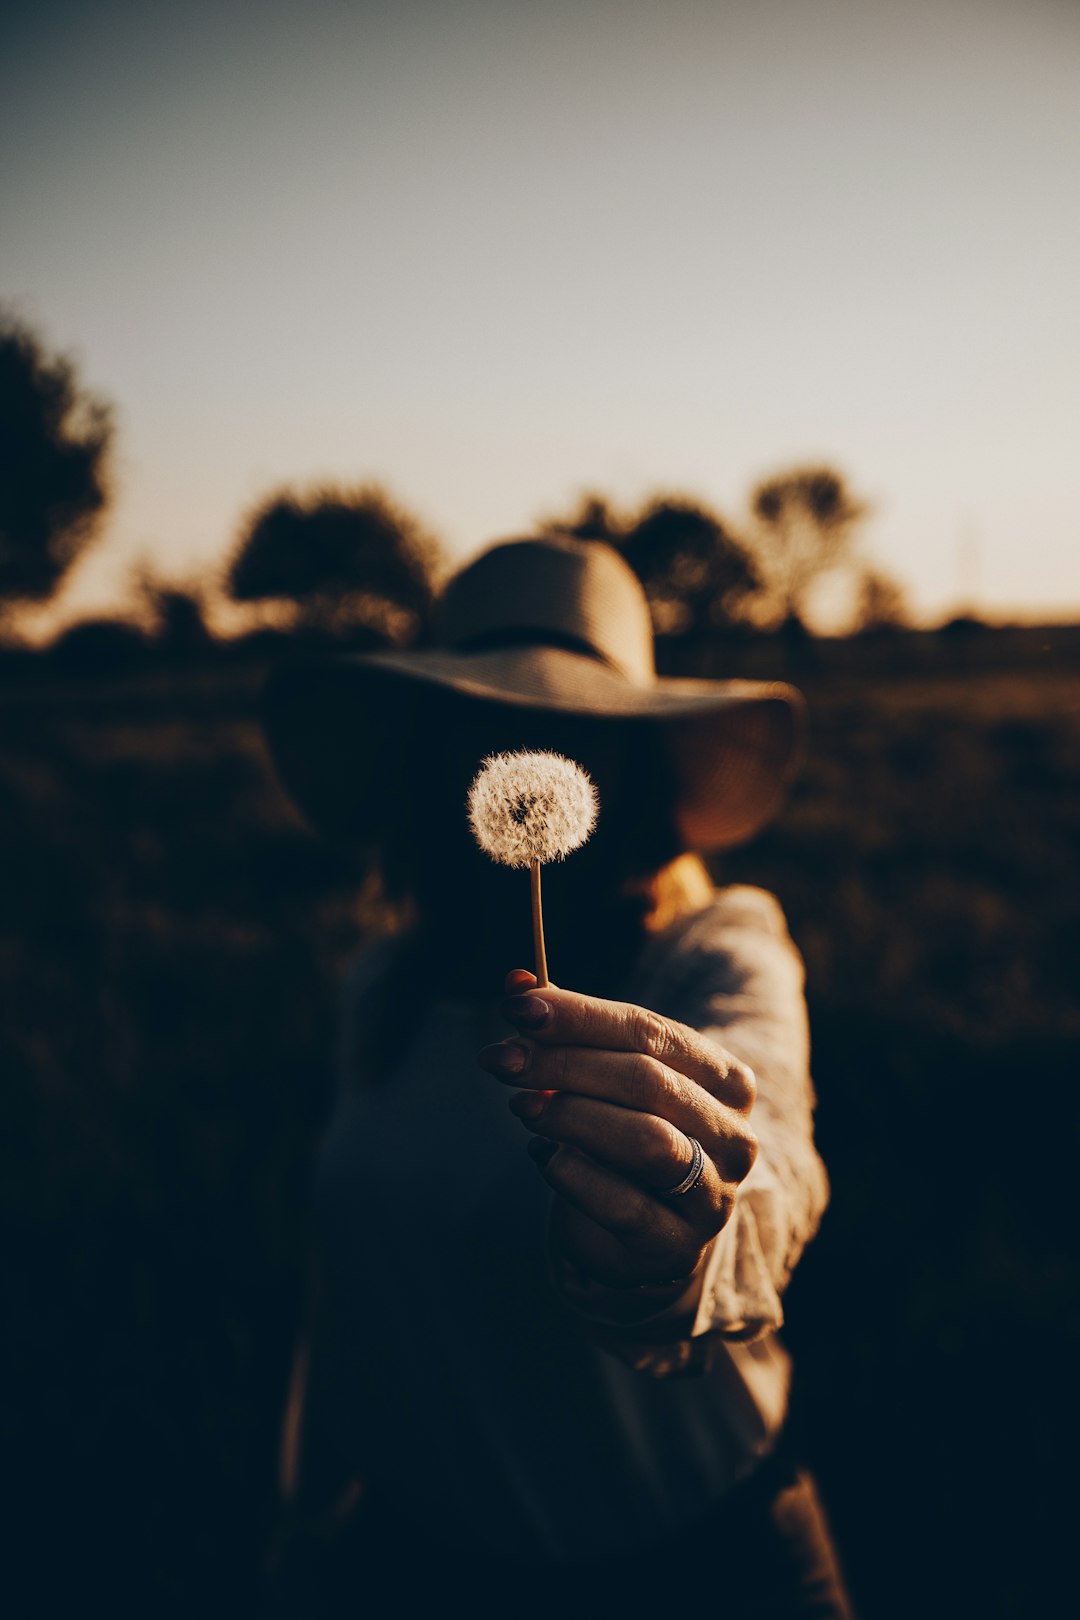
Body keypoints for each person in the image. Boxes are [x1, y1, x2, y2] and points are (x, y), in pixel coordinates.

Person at [261, 534, 855, 1617]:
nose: (522, 739)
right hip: (422, 1569)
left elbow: (773, 1165)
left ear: (631, 767)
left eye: (571, 722)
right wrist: (309, 1498)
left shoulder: (713, 953)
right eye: (481, 717)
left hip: (706, 1566)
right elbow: (350, 1281)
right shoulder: (381, 987)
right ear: (431, 753)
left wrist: (683, 1237)